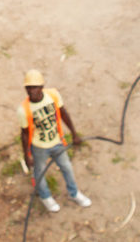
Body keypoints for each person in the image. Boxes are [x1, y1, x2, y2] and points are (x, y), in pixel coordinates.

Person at [19, 70, 93, 213]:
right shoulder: (23, 110)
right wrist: (26, 155)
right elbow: (24, 134)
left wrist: (74, 133)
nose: (31, 91)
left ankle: (74, 193)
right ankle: (45, 197)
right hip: (39, 147)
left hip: (57, 142)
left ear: (42, 87)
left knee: (67, 167)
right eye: (28, 87)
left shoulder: (52, 96)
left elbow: (64, 113)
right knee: (39, 172)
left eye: (35, 87)